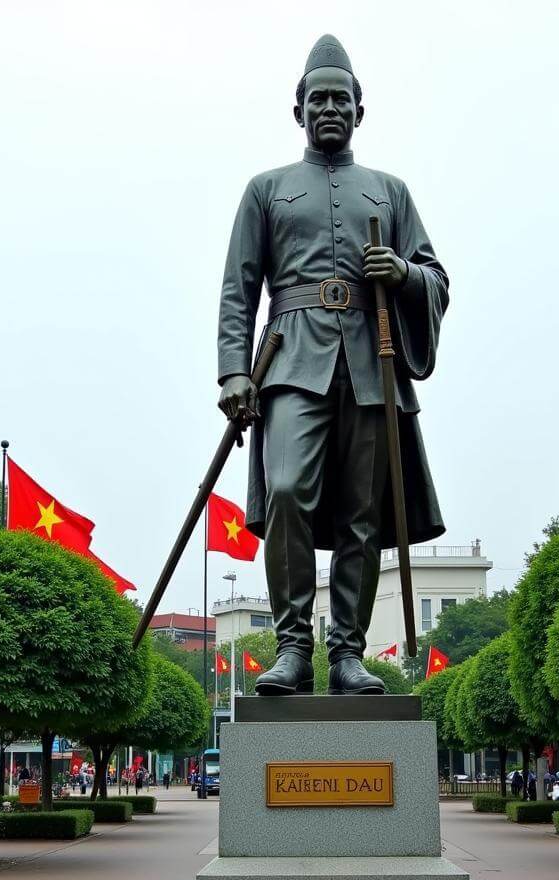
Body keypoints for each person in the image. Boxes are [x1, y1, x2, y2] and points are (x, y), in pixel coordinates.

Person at [216, 35, 449, 697]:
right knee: (285, 488)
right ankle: (293, 647)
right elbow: (240, 286)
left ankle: (347, 654)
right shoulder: (266, 190)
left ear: (359, 110)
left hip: (373, 362)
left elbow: (436, 277)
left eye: (339, 99)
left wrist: (403, 273)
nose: (328, 108)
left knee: (361, 515)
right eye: (316, 99)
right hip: (290, 361)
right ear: (298, 111)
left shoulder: (391, 192)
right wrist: (234, 370)